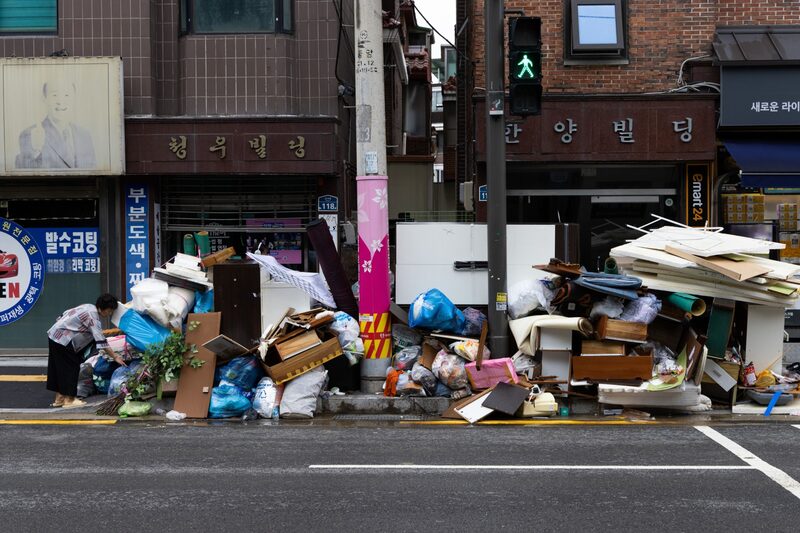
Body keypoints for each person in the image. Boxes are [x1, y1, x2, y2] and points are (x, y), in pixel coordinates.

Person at [46, 294, 126, 408]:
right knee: (71, 367)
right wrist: (115, 357)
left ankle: (59, 398)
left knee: (59, 368)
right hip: (64, 339)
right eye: (109, 311)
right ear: (104, 308)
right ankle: (70, 399)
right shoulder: (93, 317)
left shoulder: (87, 306)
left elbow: (63, 315)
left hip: (54, 335)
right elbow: (100, 340)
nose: (109, 314)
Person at [15, 78, 96, 169]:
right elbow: (25, 175)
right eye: (55, 95)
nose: (60, 101)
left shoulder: (84, 135)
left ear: (74, 98)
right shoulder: (30, 134)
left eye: (66, 95)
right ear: (44, 98)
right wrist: (36, 152)